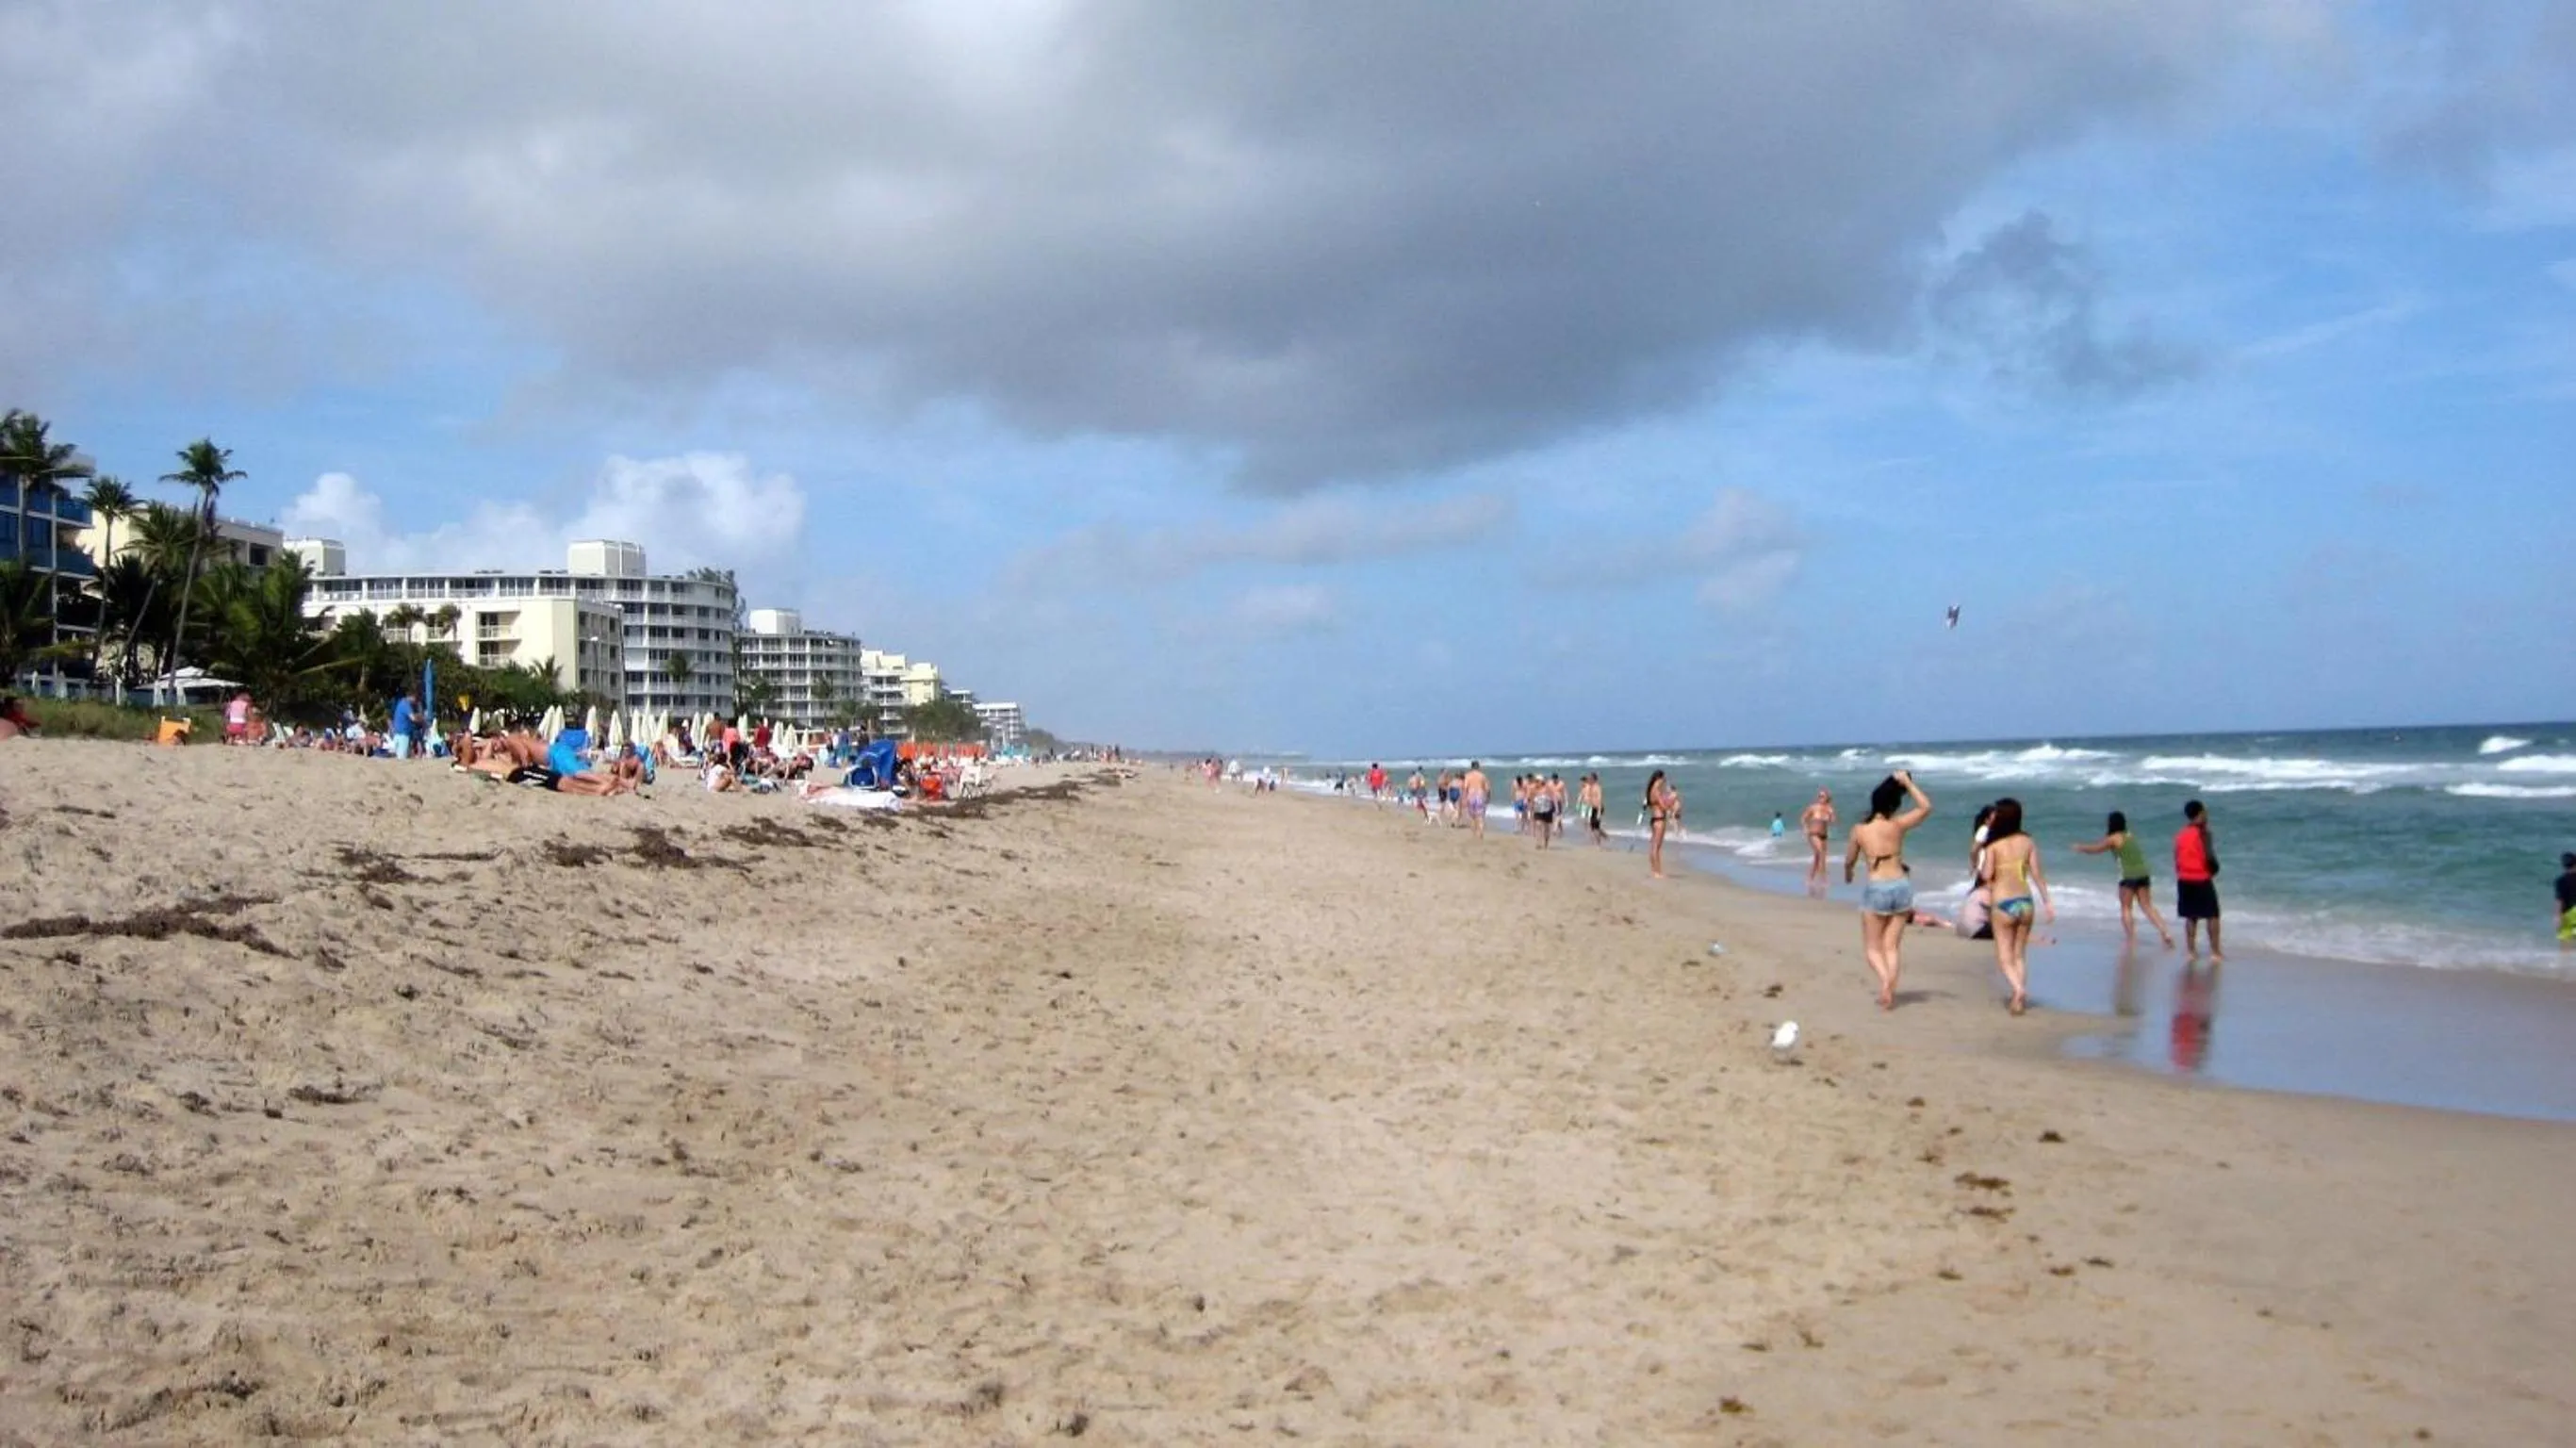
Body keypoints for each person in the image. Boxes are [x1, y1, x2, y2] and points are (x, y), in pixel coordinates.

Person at [1843, 771, 1933, 1010]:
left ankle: (1885, 983)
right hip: (1901, 885)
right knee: (1891, 946)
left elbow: (1849, 859)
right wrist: (1908, 783)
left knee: (1873, 948)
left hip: (1878, 887)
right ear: (1894, 804)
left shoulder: (1859, 830)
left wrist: (1848, 873)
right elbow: (1926, 807)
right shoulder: (1897, 825)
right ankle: (1890, 987)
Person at [1978, 798, 2052, 1014]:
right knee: (2019, 955)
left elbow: (1986, 875)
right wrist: (2048, 902)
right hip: (2026, 902)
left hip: (2003, 903)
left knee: (2004, 957)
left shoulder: (1993, 846)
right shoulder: (2028, 842)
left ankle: (2018, 989)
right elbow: (2037, 875)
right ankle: (2018, 1001)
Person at [2073, 810, 2175, 948]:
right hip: (2143, 873)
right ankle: (2165, 932)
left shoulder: (2114, 839)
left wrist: (2080, 848)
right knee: (2147, 906)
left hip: (2128, 876)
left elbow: (2096, 849)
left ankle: (2131, 939)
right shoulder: (2130, 835)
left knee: (2126, 908)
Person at [2174, 799, 2223, 962]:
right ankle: (2215, 952)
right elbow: (2209, 856)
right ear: (2200, 813)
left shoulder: (2180, 834)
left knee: (2191, 916)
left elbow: (2176, 857)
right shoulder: (2204, 833)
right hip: (2201, 877)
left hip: (2184, 878)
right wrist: (2214, 870)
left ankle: (2191, 951)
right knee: (2212, 915)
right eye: (2205, 812)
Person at [1644, 769, 1682, 879]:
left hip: (1654, 819)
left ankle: (1655, 870)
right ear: (1659, 779)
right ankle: (1657, 872)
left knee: (1654, 846)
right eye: (1664, 779)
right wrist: (1672, 799)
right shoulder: (1656, 791)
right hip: (1659, 819)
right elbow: (1664, 807)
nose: (1664, 782)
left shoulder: (1651, 790)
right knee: (1657, 847)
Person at [1800, 789, 1836, 894]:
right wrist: (1805, 828)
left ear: (1827, 798)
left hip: (1823, 835)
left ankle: (1810, 878)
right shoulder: (1813, 807)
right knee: (1820, 854)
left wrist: (1831, 813)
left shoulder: (1829, 809)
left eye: (1823, 796)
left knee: (1819, 858)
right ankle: (1824, 880)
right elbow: (1803, 818)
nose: (1820, 798)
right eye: (1819, 796)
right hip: (1813, 834)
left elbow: (1833, 821)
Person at [1462, 761, 1490, 839]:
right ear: (1478, 767)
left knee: (1472, 817)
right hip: (1480, 796)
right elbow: (1487, 789)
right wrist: (1488, 797)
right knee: (1480, 817)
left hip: (1471, 796)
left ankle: (1474, 835)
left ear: (1471, 767)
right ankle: (1481, 833)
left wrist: (1464, 799)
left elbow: (1465, 788)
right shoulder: (1482, 776)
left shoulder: (1468, 776)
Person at [2555, 852, 2576, 950]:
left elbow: (2559, 899)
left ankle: (2565, 959)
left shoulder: (2561, 881)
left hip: (2567, 913)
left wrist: (2557, 916)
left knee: (2565, 941)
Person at [389, 690, 418, 760]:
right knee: (402, 758)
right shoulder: (406, 705)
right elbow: (413, 718)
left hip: (397, 733)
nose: (415, 701)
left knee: (399, 756)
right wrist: (422, 719)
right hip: (403, 734)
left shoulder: (400, 703)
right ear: (412, 697)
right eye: (415, 699)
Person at [1580, 774, 1606, 846]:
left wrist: (1599, 812)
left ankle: (1598, 844)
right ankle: (1605, 837)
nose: (1589, 780)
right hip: (1592, 808)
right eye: (1589, 778)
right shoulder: (1590, 787)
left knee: (1595, 827)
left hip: (1598, 808)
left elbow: (1599, 799)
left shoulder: (1597, 788)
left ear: (1594, 780)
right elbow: (1585, 790)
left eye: (1591, 779)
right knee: (1593, 826)